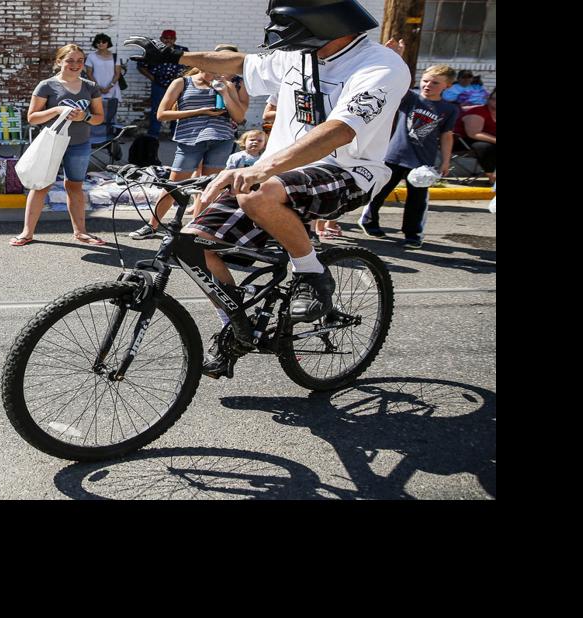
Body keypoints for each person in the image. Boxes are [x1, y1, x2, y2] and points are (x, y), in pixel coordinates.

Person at [126, 1, 410, 377]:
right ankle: (236, 326)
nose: (278, 31)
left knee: (260, 191)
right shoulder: (299, 55)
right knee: (193, 243)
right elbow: (238, 63)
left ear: (319, 22)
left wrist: (259, 167)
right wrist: (177, 55)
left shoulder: (380, 66)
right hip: (273, 176)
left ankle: (312, 274)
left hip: (346, 172)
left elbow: (339, 130)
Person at [126, 63, 246, 240]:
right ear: (200, 66)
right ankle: (152, 226)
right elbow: (161, 114)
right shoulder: (182, 83)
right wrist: (200, 111)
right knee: (173, 186)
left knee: (209, 188)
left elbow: (239, 117)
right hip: (189, 139)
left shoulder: (226, 85)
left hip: (221, 139)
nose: (216, 76)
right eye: (212, 71)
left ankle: (196, 232)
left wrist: (226, 92)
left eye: (220, 72)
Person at [11, 44, 107, 248]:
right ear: (59, 62)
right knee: (41, 186)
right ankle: (27, 233)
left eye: (79, 60)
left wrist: (85, 116)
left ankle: (80, 232)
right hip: (52, 144)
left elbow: (99, 118)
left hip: (79, 144)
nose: (75, 64)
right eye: (70, 60)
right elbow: (32, 118)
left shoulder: (90, 86)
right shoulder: (47, 85)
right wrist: (56, 110)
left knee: (75, 187)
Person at [360, 65, 457, 248]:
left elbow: (446, 135)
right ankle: (369, 220)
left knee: (417, 200)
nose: (428, 85)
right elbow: (394, 82)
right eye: (425, 80)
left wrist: (445, 161)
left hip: (422, 162)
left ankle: (412, 234)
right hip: (395, 155)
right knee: (379, 191)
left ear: (448, 86)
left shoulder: (448, 109)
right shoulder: (410, 98)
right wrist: (397, 57)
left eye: (435, 83)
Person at [135, 29, 188, 140]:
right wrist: (152, 78)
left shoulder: (182, 50)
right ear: (161, 39)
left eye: (171, 39)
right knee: (157, 109)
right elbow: (141, 66)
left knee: (177, 108)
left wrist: (182, 78)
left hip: (177, 84)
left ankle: (175, 133)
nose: (168, 41)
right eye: (165, 38)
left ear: (175, 39)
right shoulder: (152, 50)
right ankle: (153, 134)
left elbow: (189, 66)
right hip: (159, 83)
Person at [84, 34, 123, 145]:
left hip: (112, 89)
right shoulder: (91, 56)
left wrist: (109, 86)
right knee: (95, 111)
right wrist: (98, 87)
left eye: (103, 42)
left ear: (108, 43)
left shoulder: (115, 56)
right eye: (98, 42)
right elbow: (89, 74)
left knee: (112, 113)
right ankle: (94, 136)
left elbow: (117, 74)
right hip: (96, 89)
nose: (101, 44)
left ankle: (111, 138)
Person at [455, 87, 494, 180]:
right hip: (462, 141)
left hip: (487, 141)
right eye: (494, 98)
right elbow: (474, 134)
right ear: (488, 99)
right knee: (485, 147)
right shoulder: (477, 112)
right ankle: (491, 177)